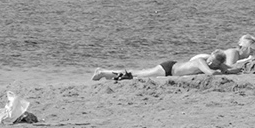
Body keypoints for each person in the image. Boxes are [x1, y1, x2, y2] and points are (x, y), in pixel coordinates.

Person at [92, 50, 241, 80]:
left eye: (213, 62)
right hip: (168, 68)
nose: (209, 62)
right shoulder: (201, 62)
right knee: (137, 74)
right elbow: (210, 73)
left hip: (171, 72)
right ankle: (103, 72)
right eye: (210, 59)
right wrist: (221, 70)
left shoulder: (216, 65)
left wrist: (237, 70)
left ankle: (105, 74)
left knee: (138, 75)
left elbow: (230, 69)